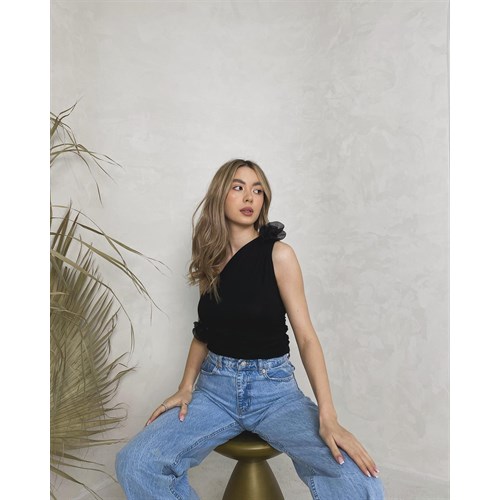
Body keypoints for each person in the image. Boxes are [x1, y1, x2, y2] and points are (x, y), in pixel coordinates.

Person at [115, 159, 385, 499]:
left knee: (361, 483)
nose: (249, 197)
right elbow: (204, 332)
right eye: (238, 187)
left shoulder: (279, 255)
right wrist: (185, 387)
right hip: (215, 390)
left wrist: (328, 416)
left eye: (257, 190)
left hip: (274, 393)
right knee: (136, 462)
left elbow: (306, 337)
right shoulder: (211, 259)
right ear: (220, 195)